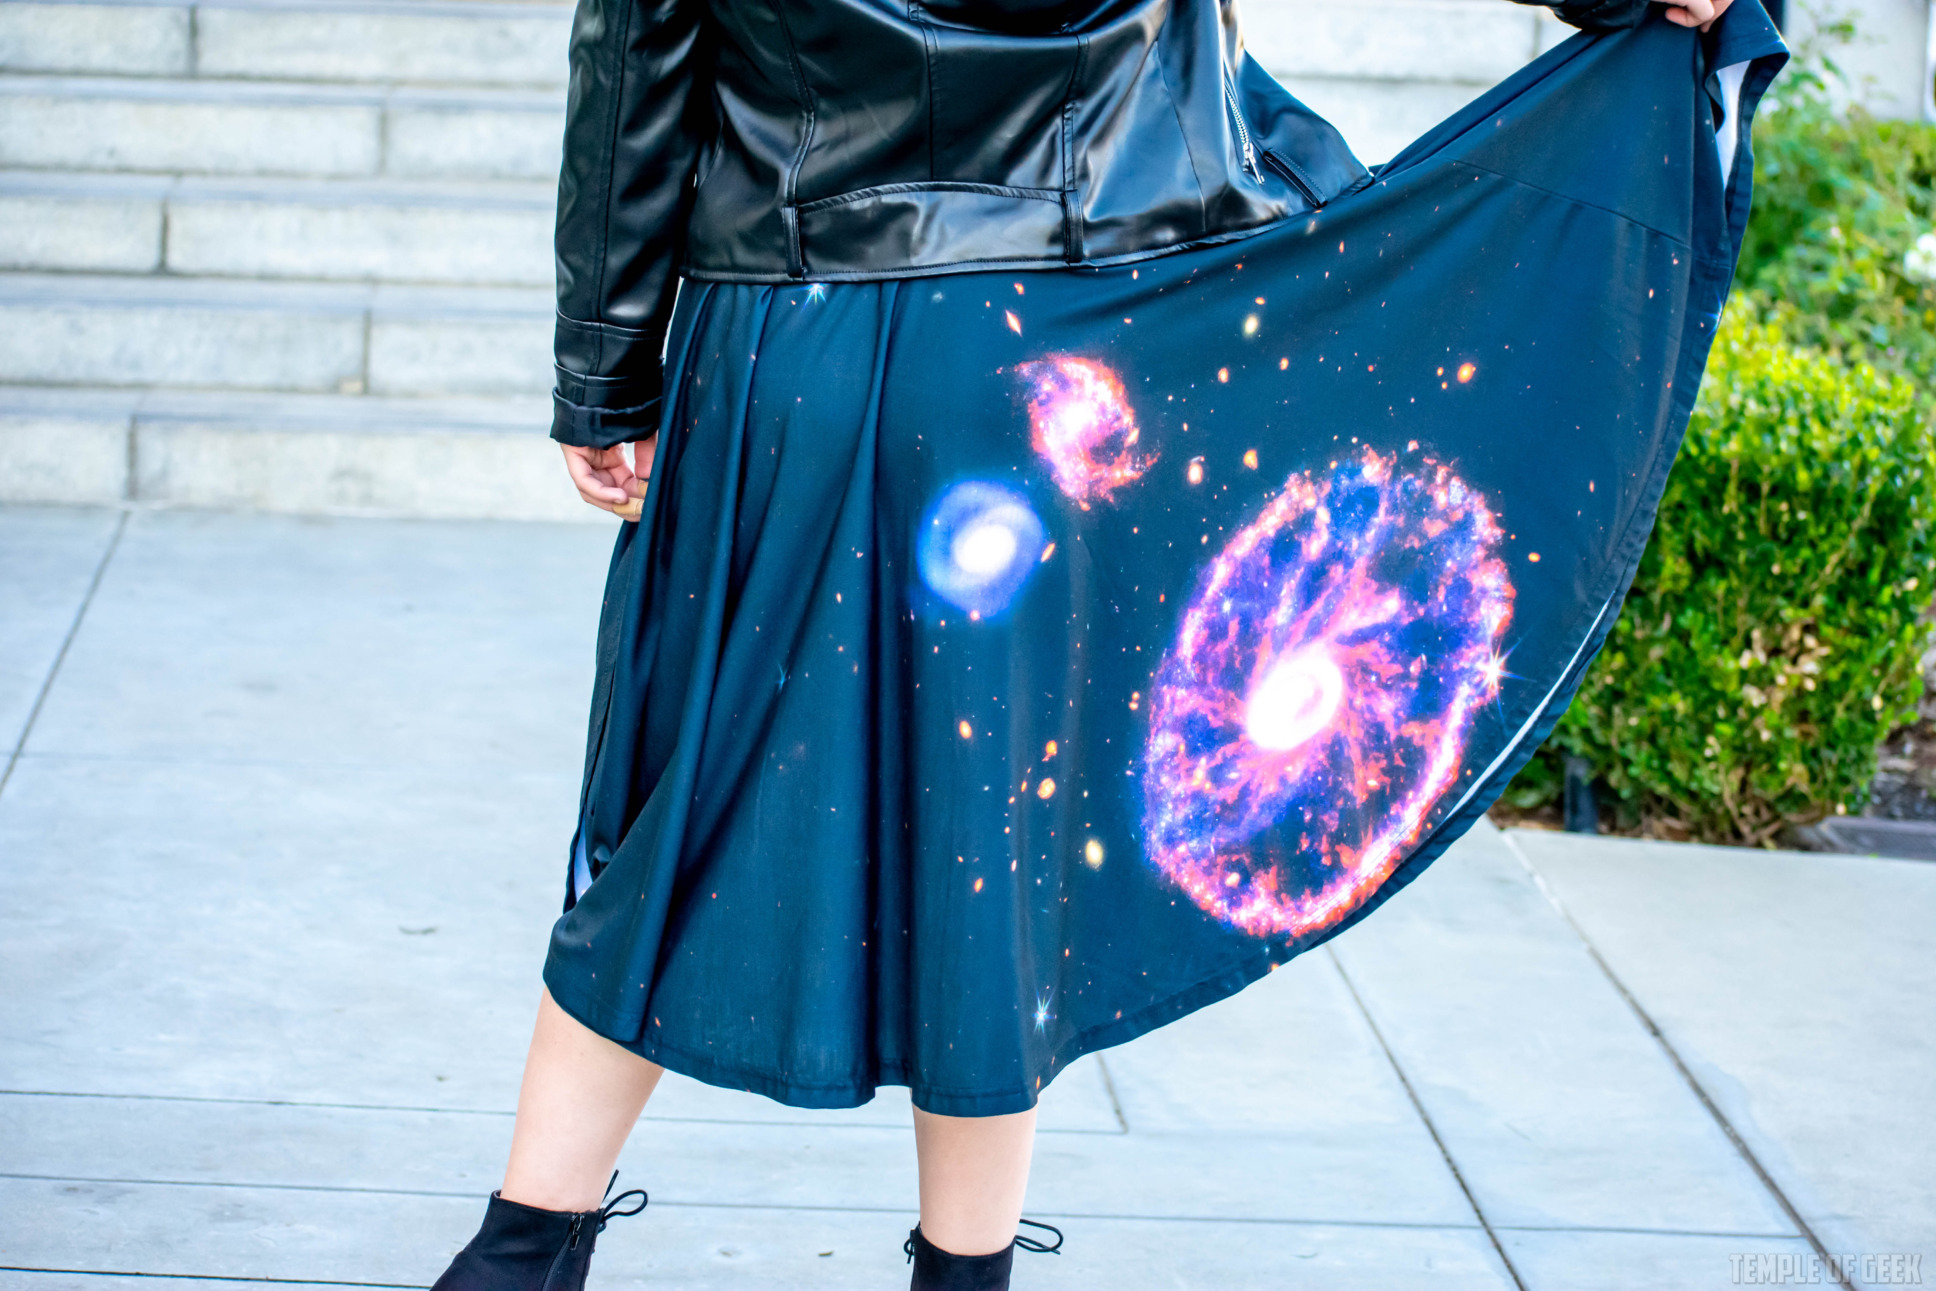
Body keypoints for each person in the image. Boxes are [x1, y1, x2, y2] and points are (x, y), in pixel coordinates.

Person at [431, 0, 1778, 1285]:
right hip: (1068, 344)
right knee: (993, 830)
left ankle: (519, 1254)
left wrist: (604, 366)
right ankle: (965, 1277)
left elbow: (638, 56)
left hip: (792, 329)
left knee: (682, 809)